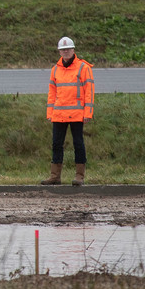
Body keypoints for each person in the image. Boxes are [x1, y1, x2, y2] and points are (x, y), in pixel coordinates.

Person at [40, 35, 93, 186]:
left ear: (73, 50)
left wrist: (88, 113)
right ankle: (55, 176)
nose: (66, 52)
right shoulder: (55, 69)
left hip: (77, 114)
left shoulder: (84, 68)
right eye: (63, 50)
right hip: (59, 114)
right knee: (56, 144)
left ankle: (79, 176)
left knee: (78, 144)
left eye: (68, 49)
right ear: (59, 52)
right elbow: (52, 93)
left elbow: (89, 91)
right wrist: (50, 113)